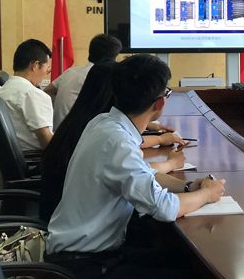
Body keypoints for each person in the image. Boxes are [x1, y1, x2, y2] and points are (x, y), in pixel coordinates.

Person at [46, 54, 226, 279]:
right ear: (160, 102)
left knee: (180, 260)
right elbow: (164, 208)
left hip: (86, 253)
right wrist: (207, 194)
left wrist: (188, 187)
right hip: (87, 267)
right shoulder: (117, 141)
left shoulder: (103, 123)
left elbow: (141, 173)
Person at [39, 61, 187, 223]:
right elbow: (163, 206)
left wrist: (185, 183)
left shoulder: (94, 121)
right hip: (80, 228)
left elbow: (138, 171)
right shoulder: (112, 136)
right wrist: (203, 191)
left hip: (65, 218)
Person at [44, 33, 122, 129]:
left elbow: (47, 91)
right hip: (80, 132)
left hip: (59, 131)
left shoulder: (71, 72)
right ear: (112, 58)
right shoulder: (101, 76)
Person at [0, 39, 53, 151]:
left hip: (12, 158)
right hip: (35, 159)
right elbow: (48, 144)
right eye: (47, 69)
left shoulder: (1, 92)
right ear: (35, 65)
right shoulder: (32, 94)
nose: (46, 74)